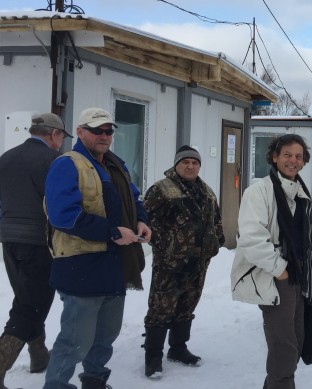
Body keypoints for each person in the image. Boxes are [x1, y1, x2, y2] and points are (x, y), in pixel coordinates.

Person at [43, 107, 150, 389]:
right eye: (97, 130)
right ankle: (56, 385)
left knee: (105, 335)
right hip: (80, 266)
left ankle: (94, 381)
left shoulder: (116, 164)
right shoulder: (67, 164)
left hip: (114, 265)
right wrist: (112, 232)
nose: (104, 136)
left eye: (109, 131)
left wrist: (141, 219)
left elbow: (135, 197)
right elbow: (63, 216)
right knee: (75, 339)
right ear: (80, 132)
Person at [231, 134, 312, 389]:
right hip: (277, 279)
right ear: (274, 157)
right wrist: (280, 270)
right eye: (287, 154)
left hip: (301, 277)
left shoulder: (301, 193)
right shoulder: (259, 191)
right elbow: (251, 238)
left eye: (298, 156)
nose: (292, 160)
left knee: (296, 339)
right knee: (284, 346)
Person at [141, 145, 225, 378]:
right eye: (185, 162)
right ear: (176, 165)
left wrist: (217, 240)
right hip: (170, 262)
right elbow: (146, 221)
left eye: (195, 163)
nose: (190, 166)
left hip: (198, 262)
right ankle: (153, 356)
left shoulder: (206, 191)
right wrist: (166, 243)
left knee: (187, 305)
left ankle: (178, 348)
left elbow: (216, 219)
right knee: (161, 307)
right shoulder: (162, 190)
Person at [0, 113, 71, 387]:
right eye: (61, 137)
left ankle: (38, 354)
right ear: (53, 134)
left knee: (27, 297)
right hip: (39, 241)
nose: (61, 143)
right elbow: (59, 203)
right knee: (32, 305)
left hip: (9, 240)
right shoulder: (54, 161)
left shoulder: (5, 157)